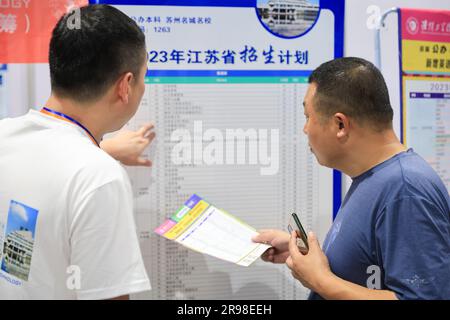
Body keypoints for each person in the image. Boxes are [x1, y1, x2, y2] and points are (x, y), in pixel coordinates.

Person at [253, 57, 450, 300]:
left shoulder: (405, 189)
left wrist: (320, 280)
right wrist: (304, 255)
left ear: (339, 124)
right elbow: (370, 272)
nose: (305, 129)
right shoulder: (374, 179)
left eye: (308, 117)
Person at [0, 5, 154, 299]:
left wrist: (102, 150)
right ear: (126, 86)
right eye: (144, 76)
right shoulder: (100, 178)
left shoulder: (4, 134)